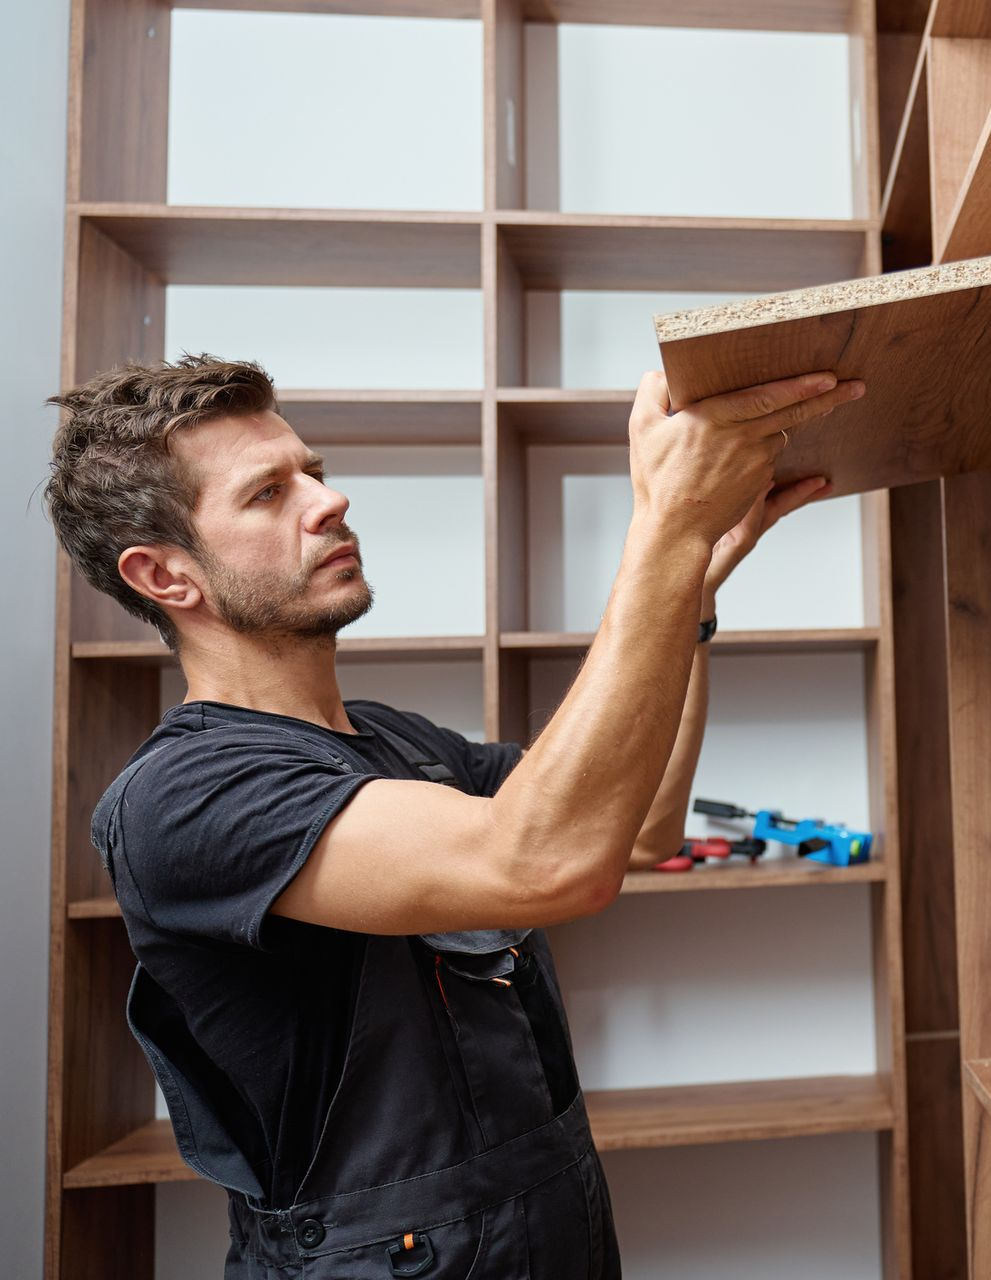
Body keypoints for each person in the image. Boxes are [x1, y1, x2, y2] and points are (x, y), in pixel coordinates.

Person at [43, 353, 863, 1278]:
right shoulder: (182, 798)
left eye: (312, 470)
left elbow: (638, 830)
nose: (328, 499)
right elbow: (548, 865)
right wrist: (663, 534)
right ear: (166, 576)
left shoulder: (396, 743)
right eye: (268, 493)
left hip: (555, 1224)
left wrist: (690, 595)